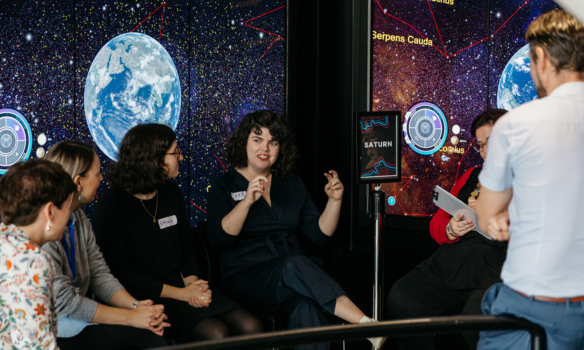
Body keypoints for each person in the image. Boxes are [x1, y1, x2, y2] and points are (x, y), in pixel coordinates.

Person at [475, 9, 584, 350]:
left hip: (539, 310)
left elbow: (487, 215)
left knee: (491, 299)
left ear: (540, 59)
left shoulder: (516, 125)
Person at [207, 110, 385, 350]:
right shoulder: (224, 184)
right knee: (294, 263)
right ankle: (364, 324)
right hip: (246, 278)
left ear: (280, 148)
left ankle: (366, 326)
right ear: (244, 143)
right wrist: (247, 201)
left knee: (306, 307)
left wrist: (335, 201)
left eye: (273, 142)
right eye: (257, 139)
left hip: (292, 276)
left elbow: (318, 233)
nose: (265, 149)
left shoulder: (290, 182)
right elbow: (220, 239)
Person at [92, 124, 262, 343]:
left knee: (252, 326)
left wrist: (193, 287)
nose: (180, 157)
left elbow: (187, 248)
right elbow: (121, 274)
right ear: (153, 158)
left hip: (183, 288)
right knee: (216, 333)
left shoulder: (172, 193)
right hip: (146, 297)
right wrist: (182, 294)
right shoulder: (111, 205)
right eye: (175, 151)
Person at [386, 109, 508, 350]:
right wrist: (452, 230)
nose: (485, 152)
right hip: (457, 262)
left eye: (491, 143)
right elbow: (437, 223)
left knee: (477, 320)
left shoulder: (528, 177)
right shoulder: (472, 175)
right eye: (481, 146)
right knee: (403, 297)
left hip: (496, 270)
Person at [42, 141, 169, 349]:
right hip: (53, 330)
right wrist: (132, 317)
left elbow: (99, 274)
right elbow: (64, 303)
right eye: (97, 173)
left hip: (78, 320)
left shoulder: (78, 217)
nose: (102, 178)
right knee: (147, 337)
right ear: (78, 182)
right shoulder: (43, 229)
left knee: (151, 330)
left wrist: (136, 307)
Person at [0, 159, 77, 349]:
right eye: (68, 206)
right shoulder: (32, 262)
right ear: (50, 211)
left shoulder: (4, 238)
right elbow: (38, 345)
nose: (70, 214)